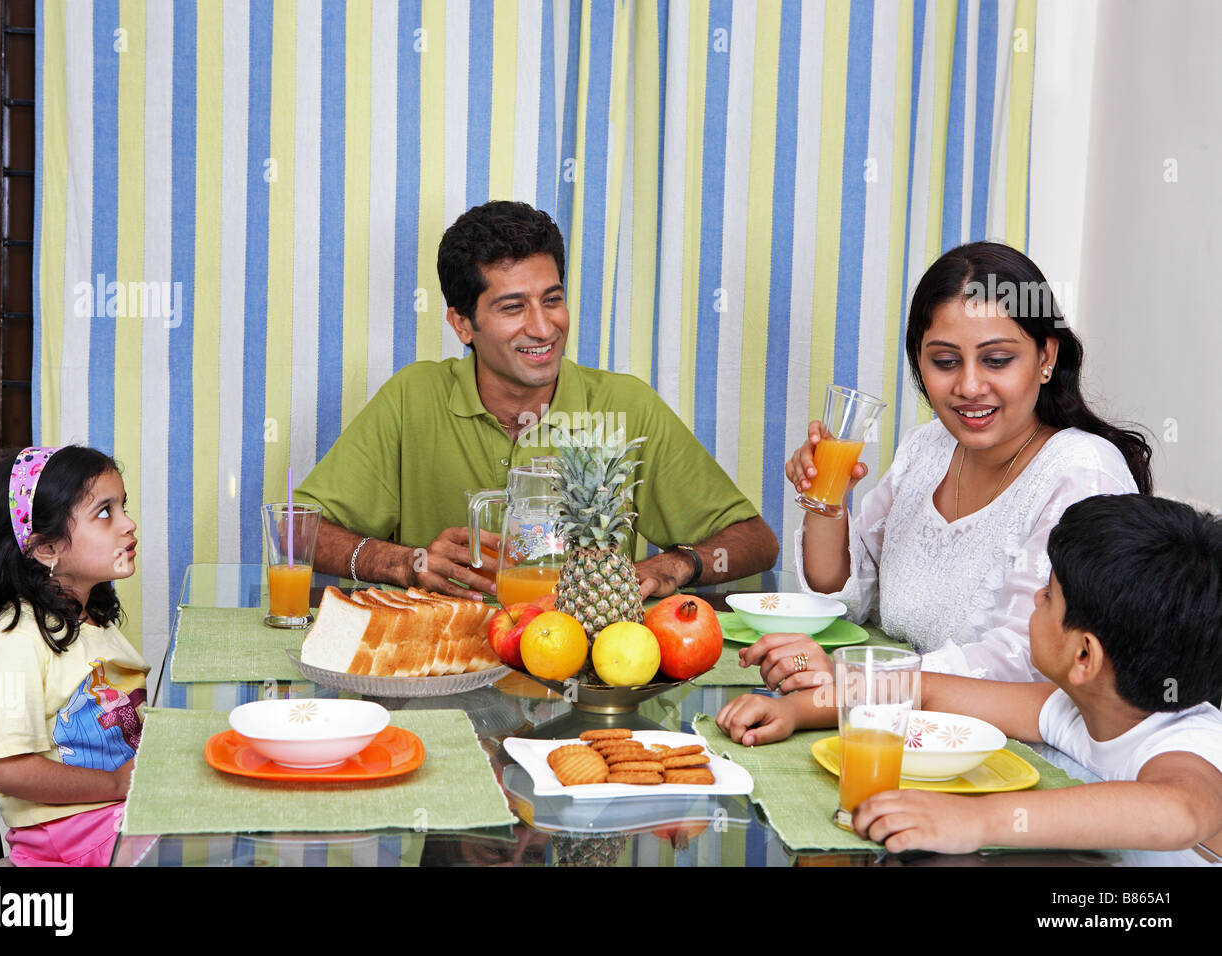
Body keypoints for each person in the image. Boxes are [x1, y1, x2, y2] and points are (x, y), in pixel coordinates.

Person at [294, 200, 779, 600]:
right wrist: (402, 561)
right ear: (463, 324)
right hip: (441, 666)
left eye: (552, 299)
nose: (544, 328)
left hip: (587, 670)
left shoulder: (627, 406)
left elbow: (755, 541)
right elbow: (297, 530)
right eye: (512, 307)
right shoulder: (411, 398)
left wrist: (678, 564)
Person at [718, 494, 1222, 861]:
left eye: (1048, 594)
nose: (1034, 600)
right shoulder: (1075, 705)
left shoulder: (1188, 742)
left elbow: (1178, 811)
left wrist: (975, 820)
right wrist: (796, 710)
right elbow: (922, 690)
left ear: (1084, 655)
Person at [758, 242, 1150, 689]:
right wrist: (824, 499)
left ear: (1046, 358)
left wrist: (863, 679)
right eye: (945, 362)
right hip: (906, 719)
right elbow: (849, 598)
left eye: (997, 360)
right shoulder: (927, 448)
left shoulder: (1082, 473)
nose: (968, 385)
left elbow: (1028, 660)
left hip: (1013, 743)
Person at [0, 446, 148, 867]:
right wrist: (117, 782)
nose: (128, 523)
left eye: (123, 507)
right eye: (105, 513)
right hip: (68, 837)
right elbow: (4, 769)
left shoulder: (90, 618)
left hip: (110, 817)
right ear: (46, 550)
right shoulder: (15, 642)